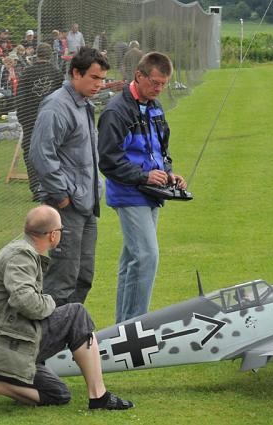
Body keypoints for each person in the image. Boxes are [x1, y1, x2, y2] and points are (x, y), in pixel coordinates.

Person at [0, 205, 133, 411]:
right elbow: (24, 301)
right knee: (76, 314)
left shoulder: (20, 250)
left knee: (59, 394)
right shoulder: (21, 255)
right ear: (53, 235)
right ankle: (99, 395)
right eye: (61, 230)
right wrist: (50, 302)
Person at [97, 52, 187, 323]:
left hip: (152, 193)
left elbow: (161, 150)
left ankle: (122, 328)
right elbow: (108, 160)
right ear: (139, 75)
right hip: (128, 192)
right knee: (147, 256)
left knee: (132, 261)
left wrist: (169, 174)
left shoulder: (156, 107)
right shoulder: (116, 111)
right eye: (156, 82)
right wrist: (144, 177)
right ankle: (137, 329)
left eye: (164, 83)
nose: (159, 88)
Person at [30, 47, 109, 306]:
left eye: (102, 79)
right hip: (66, 207)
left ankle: (70, 335)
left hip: (86, 205)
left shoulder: (83, 104)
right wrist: (62, 196)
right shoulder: (56, 106)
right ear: (76, 73)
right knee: (62, 279)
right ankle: (48, 343)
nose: (100, 84)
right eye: (94, 78)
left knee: (83, 276)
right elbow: (41, 154)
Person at [18, 43, 63, 202]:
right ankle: (52, 186)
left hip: (30, 117)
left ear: (36, 54)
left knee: (30, 152)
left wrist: (21, 118)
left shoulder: (26, 73)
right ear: (50, 55)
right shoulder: (56, 73)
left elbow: (20, 97)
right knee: (53, 150)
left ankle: (36, 187)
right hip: (51, 118)